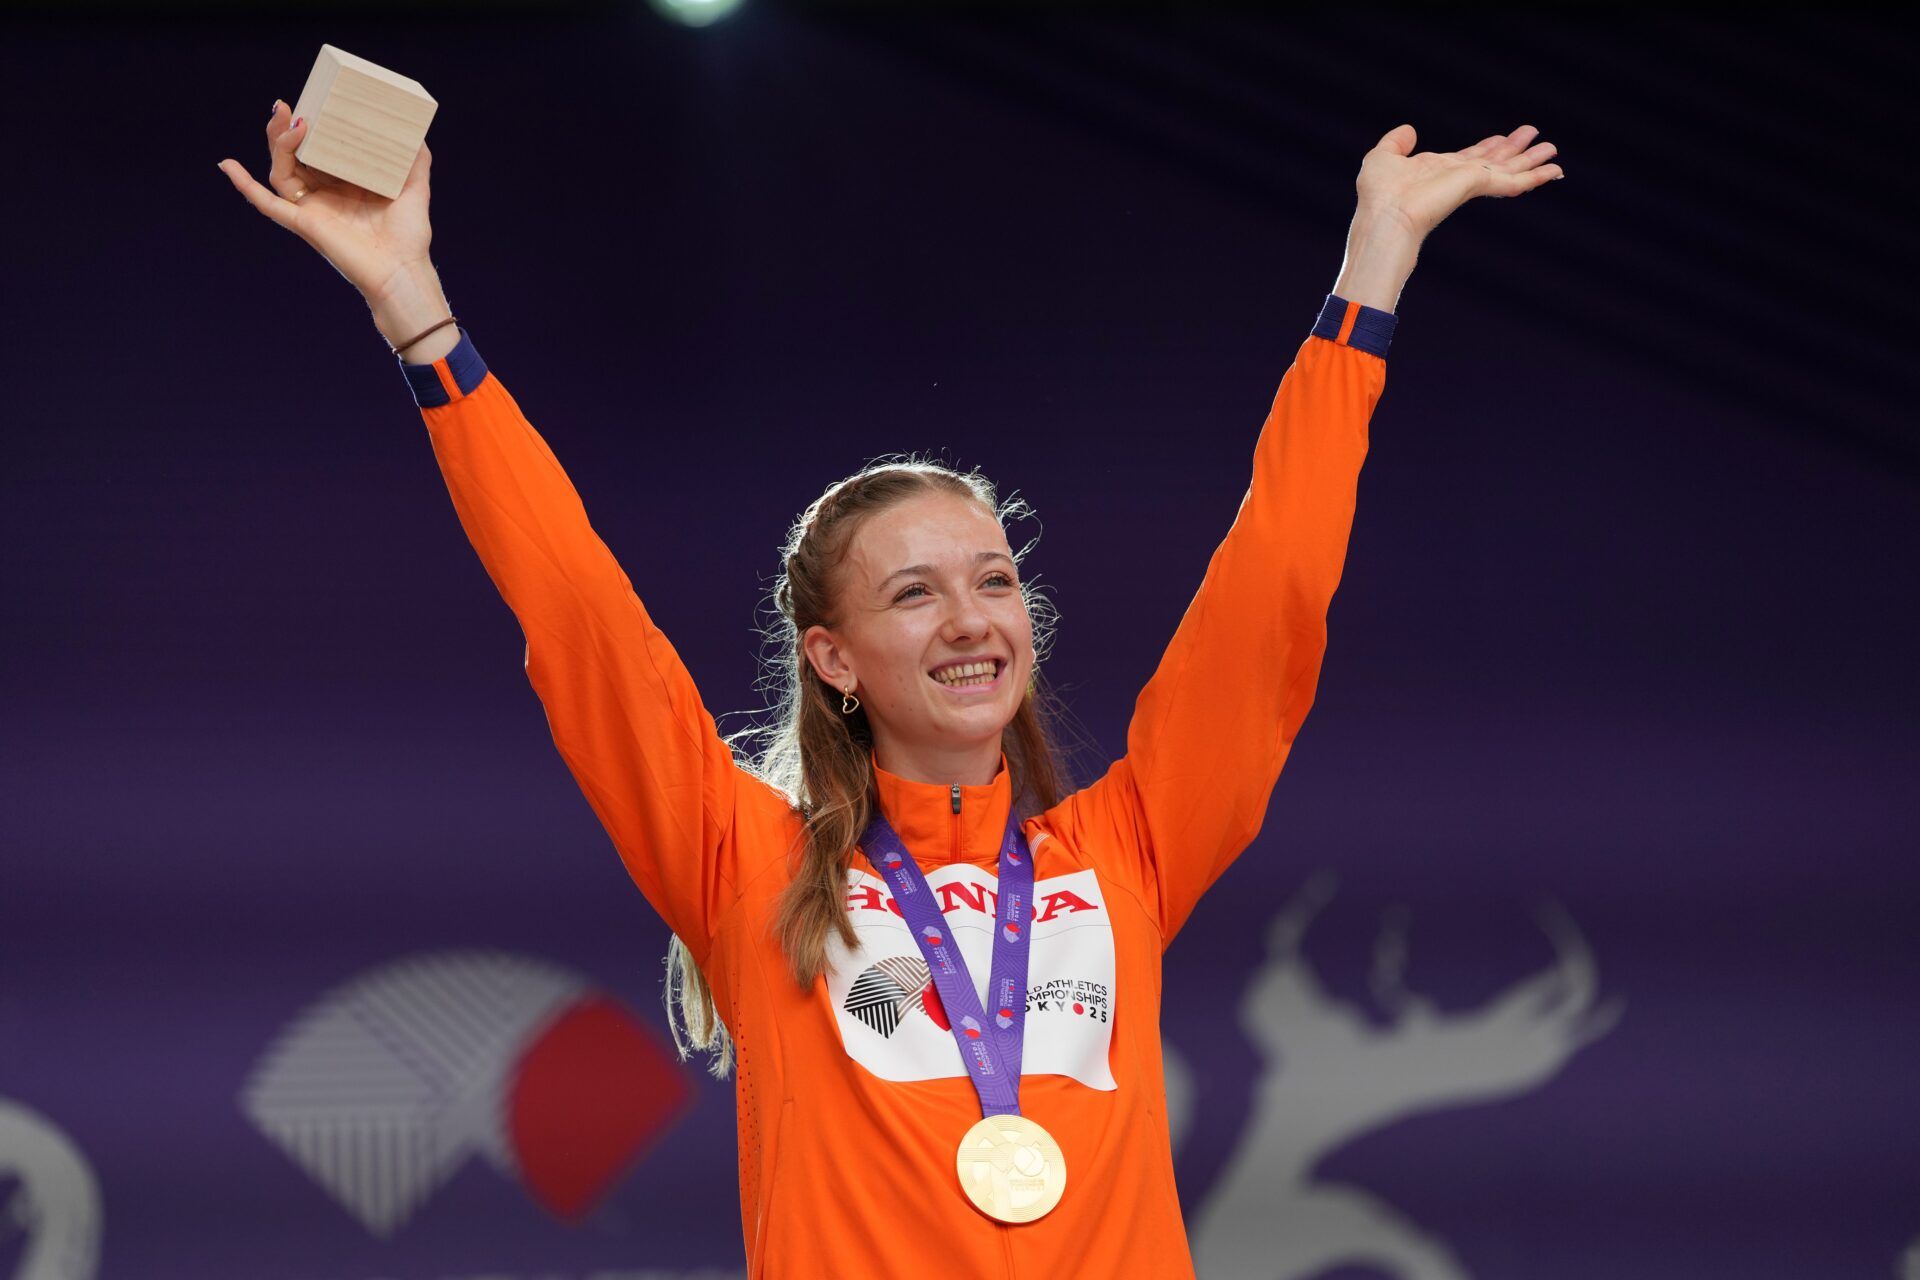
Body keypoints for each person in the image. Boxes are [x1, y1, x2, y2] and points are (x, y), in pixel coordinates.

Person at [219, 100, 1562, 1277]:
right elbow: (578, 613)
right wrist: (416, 311)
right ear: (833, 658)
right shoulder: (745, 869)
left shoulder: (1126, 855)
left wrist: (1375, 262)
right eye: (914, 593)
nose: (972, 620)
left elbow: (1274, 590)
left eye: (994, 581)